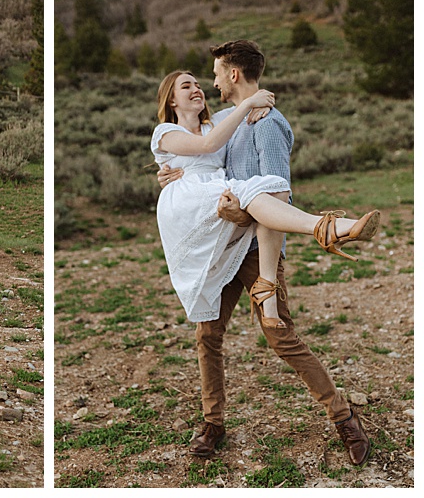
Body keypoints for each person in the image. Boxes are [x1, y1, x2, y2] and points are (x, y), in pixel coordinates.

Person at [156, 40, 373, 466]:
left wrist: (266, 273)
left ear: (232, 75)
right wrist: (170, 173)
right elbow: (198, 156)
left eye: (213, 74)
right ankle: (213, 422)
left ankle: (344, 417)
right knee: (207, 335)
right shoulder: (227, 121)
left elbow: (278, 192)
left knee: (280, 336)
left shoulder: (265, 123)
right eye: (193, 83)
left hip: (257, 249)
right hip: (218, 247)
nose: (209, 83)